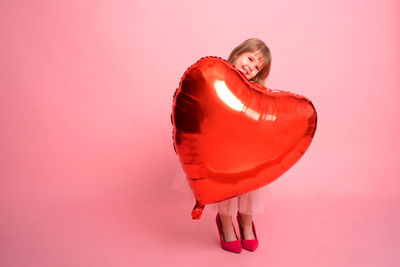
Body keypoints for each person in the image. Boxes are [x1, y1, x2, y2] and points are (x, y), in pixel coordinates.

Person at [172, 38, 272, 253]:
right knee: (225, 185)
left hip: (246, 150)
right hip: (218, 149)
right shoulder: (215, 78)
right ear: (237, 53)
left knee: (250, 185)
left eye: (257, 67)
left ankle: (246, 220)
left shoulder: (257, 90)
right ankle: (225, 222)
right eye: (250, 58)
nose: (251, 67)